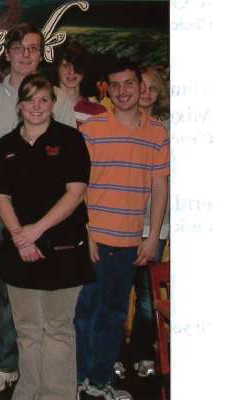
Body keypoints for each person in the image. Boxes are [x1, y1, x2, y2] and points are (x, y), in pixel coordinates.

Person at [0, 22, 76, 393]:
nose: (26, 55)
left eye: (33, 48)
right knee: (8, 290)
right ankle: (7, 365)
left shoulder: (59, 99)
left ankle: (49, 376)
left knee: (51, 299)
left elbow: (70, 161)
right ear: (7, 53)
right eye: (19, 48)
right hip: (0, 213)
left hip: (52, 219)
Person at [0, 73, 93, 400]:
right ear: (19, 105)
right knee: (28, 329)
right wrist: (21, 238)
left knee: (58, 329)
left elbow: (75, 193)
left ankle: (58, 395)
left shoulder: (71, 140)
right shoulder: (6, 145)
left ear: (53, 104)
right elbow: (1, 197)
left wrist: (35, 231)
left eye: (44, 99)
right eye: (30, 99)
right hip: (20, 249)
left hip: (64, 249)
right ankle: (29, 392)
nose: (36, 106)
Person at [75, 60, 169, 400]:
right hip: (95, 239)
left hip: (131, 241)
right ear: (107, 90)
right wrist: (86, 234)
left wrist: (152, 236)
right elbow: (78, 187)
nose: (122, 91)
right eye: (114, 85)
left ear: (140, 87)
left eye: (129, 83)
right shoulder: (91, 129)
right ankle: (78, 380)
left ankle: (102, 381)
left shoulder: (157, 133)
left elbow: (160, 187)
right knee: (85, 312)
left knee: (115, 314)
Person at [117, 65, 170, 379]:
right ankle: (114, 356)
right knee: (117, 293)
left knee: (149, 298)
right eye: (142, 86)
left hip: (156, 225)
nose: (147, 93)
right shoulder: (122, 124)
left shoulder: (166, 129)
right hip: (123, 223)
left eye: (153, 87)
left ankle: (141, 354)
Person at [53, 41, 107, 127]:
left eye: (76, 66)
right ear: (57, 69)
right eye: (65, 66)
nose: (71, 72)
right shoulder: (45, 106)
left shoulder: (98, 111)